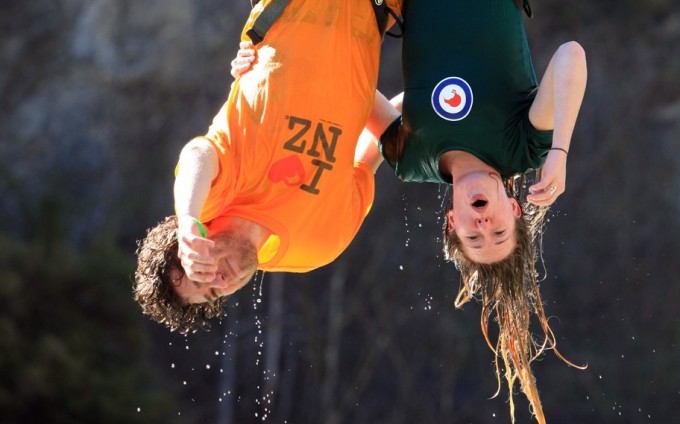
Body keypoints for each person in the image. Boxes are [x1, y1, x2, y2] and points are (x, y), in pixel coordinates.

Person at [234, 1, 587, 422]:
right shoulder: (524, 147)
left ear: (451, 222)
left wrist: (264, 60)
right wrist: (560, 151)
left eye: (474, 237)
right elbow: (571, 55)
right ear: (514, 208)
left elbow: (352, 90)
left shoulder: (411, 160)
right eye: (499, 232)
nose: (484, 225)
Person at [133, 0, 402, 334]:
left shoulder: (219, 192)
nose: (221, 279)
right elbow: (377, 149)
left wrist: (189, 219)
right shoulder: (317, 246)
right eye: (214, 292)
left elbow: (197, 154)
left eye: (199, 271)